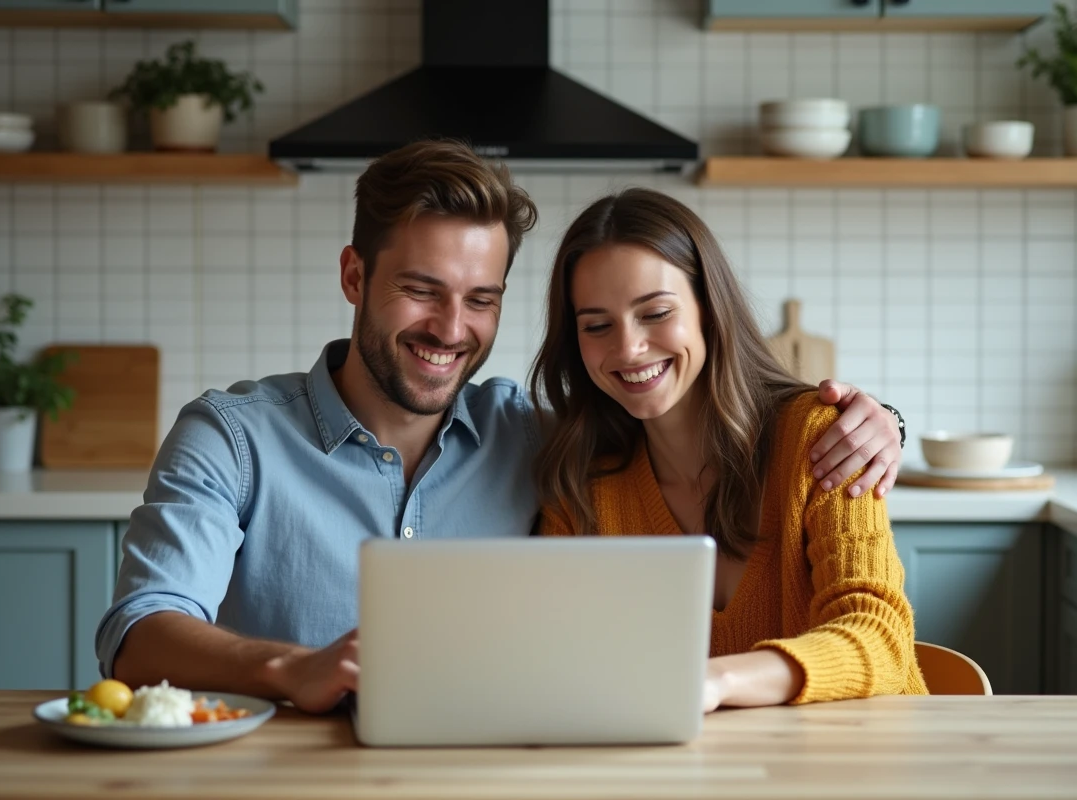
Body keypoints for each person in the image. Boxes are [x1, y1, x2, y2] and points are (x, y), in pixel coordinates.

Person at [96, 140, 908, 715]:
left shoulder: (538, 440)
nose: (452, 327)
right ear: (355, 275)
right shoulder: (233, 438)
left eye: (481, 299)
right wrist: (292, 666)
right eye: (422, 289)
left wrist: (884, 421)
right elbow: (137, 632)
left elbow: (868, 623)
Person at [532, 187, 927, 711]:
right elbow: (554, 659)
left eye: (655, 313)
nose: (627, 348)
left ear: (708, 309)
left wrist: (715, 682)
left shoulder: (818, 440)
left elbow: (878, 634)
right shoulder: (581, 487)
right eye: (597, 326)